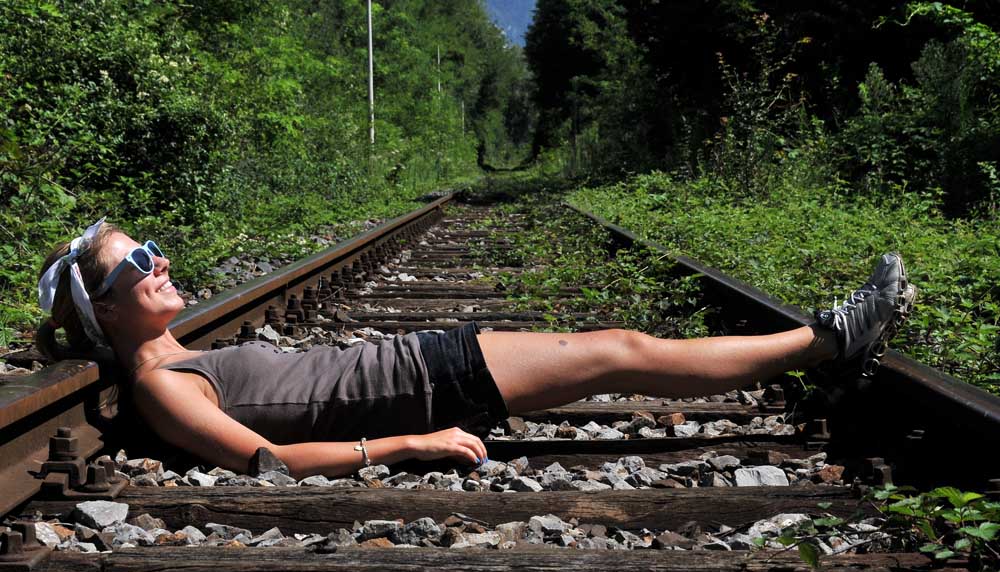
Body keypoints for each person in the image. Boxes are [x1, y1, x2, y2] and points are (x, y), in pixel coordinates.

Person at [37, 218, 917, 479]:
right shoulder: (164, 387)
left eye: (150, 253)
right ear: (103, 314)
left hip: (430, 358)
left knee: (619, 346)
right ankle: (828, 340)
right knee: (620, 347)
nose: (158, 267)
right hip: (431, 383)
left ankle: (824, 339)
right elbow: (268, 460)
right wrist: (408, 446)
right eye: (134, 270)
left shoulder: (177, 355)